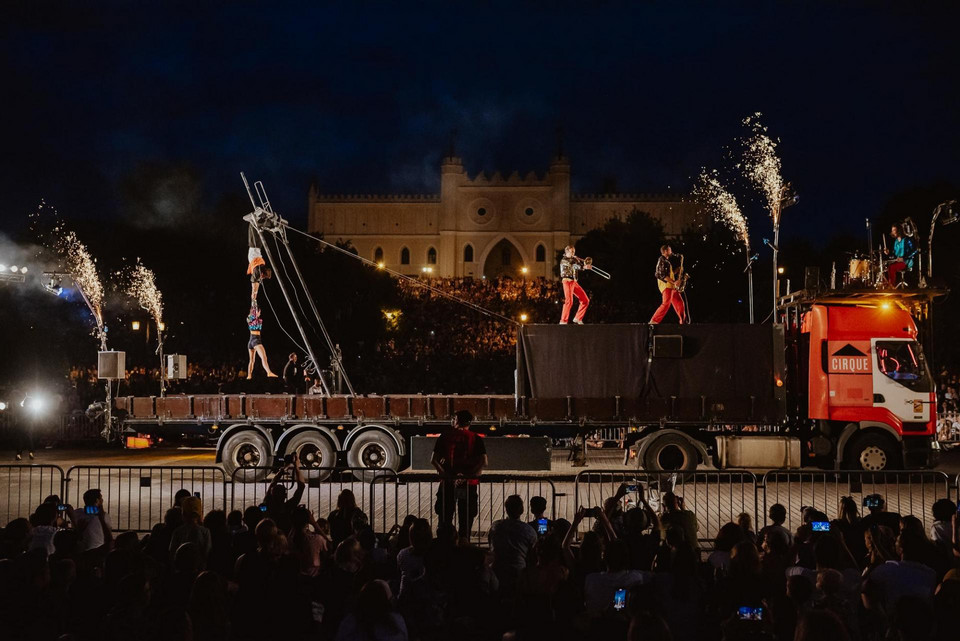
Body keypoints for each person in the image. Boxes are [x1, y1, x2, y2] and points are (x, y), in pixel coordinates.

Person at [431, 409, 488, 540]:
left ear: (456, 421)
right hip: (468, 483)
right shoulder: (475, 438)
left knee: (445, 515)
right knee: (466, 516)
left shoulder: (445, 436)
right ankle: (464, 541)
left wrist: (446, 475)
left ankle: (445, 542)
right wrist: (468, 476)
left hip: (447, 482)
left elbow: (433, 460)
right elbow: (484, 461)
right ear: (469, 423)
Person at [488, 494, 538, 597]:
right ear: (522, 510)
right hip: (518, 574)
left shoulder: (495, 526)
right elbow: (533, 557)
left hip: (496, 572)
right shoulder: (529, 531)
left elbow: (490, 544)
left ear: (506, 509)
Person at [264, 458, 306, 532]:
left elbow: (272, 483)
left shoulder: (268, 505)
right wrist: (297, 468)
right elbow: (301, 487)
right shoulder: (289, 507)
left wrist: (282, 470)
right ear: (285, 495)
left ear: (271, 493)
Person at [650, 244, 686, 324]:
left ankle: (683, 322)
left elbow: (669, 274)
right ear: (665, 251)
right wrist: (674, 282)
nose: (671, 251)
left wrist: (677, 270)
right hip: (667, 286)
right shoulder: (662, 260)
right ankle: (653, 321)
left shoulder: (666, 261)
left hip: (672, 287)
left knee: (679, 303)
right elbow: (661, 274)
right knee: (666, 304)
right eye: (670, 250)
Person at [73, 488, 112, 555]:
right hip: (98, 550)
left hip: (81, 550)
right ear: (97, 500)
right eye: (101, 498)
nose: (102, 500)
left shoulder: (77, 513)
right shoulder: (104, 516)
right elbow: (108, 535)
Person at [558, 245, 591, 324]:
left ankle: (578, 318)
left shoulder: (573, 259)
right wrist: (584, 267)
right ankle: (563, 321)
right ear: (567, 252)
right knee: (569, 301)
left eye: (574, 251)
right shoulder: (564, 260)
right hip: (567, 281)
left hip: (574, 282)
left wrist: (583, 263)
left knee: (585, 300)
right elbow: (574, 265)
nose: (573, 253)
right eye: (571, 251)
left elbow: (577, 265)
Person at [246, 302, 278, 379]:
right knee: (263, 357)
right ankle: (268, 372)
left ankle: (249, 375)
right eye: (259, 311)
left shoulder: (256, 319)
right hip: (256, 340)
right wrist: (254, 302)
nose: (260, 313)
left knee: (252, 360)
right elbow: (252, 306)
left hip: (251, 341)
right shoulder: (251, 318)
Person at [247, 222, 272, 302]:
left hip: (258, 247)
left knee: (258, 230)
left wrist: (255, 294)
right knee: (252, 228)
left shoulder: (261, 267)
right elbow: (254, 283)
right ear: (262, 274)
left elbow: (257, 281)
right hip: (253, 246)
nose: (262, 278)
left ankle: (261, 222)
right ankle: (255, 221)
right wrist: (254, 294)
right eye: (263, 277)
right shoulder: (258, 272)